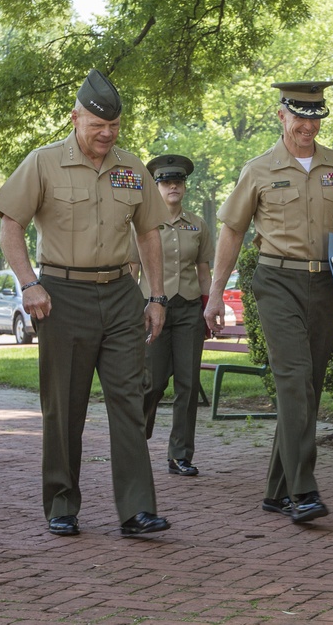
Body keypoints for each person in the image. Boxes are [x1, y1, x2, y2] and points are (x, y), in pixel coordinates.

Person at [0, 69, 172, 538]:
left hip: (121, 294)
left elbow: (148, 232)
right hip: (61, 295)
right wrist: (29, 283)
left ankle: (136, 510)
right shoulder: (43, 162)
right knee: (64, 405)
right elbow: (10, 225)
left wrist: (155, 295)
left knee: (129, 402)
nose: (106, 134)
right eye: (97, 125)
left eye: (113, 126)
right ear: (75, 118)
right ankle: (62, 503)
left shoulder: (132, 168)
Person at [204, 81, 333, 523]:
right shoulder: (258, 169)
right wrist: (217, 293)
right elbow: (232, 231)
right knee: (295, 382)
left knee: (308, 389)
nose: (309, 127)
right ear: (282, 116)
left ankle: (276, 489)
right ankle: (303, 491)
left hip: (323, 285)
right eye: (300, 118)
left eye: (316, 118)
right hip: (276, 281)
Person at [133, 154, 214, 477]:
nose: (173, 187)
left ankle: (180, 454)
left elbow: (204, 268)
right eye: (166, 182)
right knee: (152, 382)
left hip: (189, 309)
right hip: (152, 309)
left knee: (188, 383)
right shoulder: (143, 224)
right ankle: (135, 442)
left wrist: (210, 307)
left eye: (178, 182)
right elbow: (131, 269)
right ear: (156, 187)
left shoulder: (197, 224)